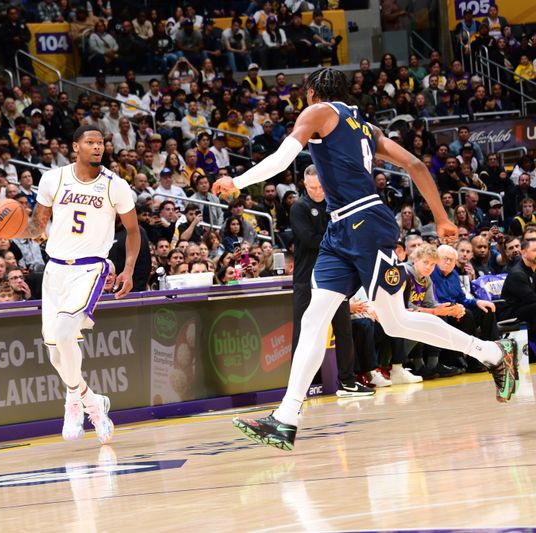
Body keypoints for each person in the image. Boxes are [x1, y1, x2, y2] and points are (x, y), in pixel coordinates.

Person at [214, 68, 517, 451]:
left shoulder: (318, 112)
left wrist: (237, 183)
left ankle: (491, 351)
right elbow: (417, 166)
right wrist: (440, 217)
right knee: (313, 318)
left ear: (312, 94)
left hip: (365, 223)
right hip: (341, 228)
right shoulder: (365, 127)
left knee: (395, 320)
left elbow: (282, 158)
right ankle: (285, 419)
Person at [18, 125, 140, 445]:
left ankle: (72, 400)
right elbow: (37, 226)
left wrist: (127, 269)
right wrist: (11, 228)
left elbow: (133, 231)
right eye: (90, 142)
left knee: (64, 333)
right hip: (55, 270)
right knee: (57, 354)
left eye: (101, 143)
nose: (97, 147)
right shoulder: (53, 179)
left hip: (91, 268)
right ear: (76, 147)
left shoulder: (116, 185)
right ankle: (92, 402)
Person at [290, 165, 373, 396]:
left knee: (344, 329)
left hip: (336, 278)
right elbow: (308, 239)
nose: (317, 191)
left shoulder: (336, 204)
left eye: (319, 186)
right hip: (307, 279)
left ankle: (347, 381)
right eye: (311, 187)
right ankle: (298, 388)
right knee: (304, 332)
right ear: (304, 186)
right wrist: (338, 241)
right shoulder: (299, 207)